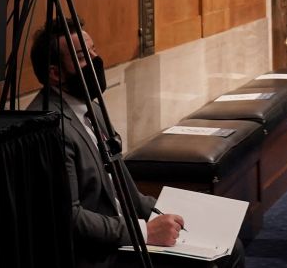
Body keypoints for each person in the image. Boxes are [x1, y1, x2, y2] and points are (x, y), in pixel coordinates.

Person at [28, 24, 245, 268]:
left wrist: (175, 214)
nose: (95, 60)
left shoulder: (92, 108)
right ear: (55, 74)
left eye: (94, 50)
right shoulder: (48, 127)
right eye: (82, 57)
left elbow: (126, 193)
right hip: (98, 253)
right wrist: (145, 231)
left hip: (127, 230)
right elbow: (70, 217)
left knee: (227, 242)